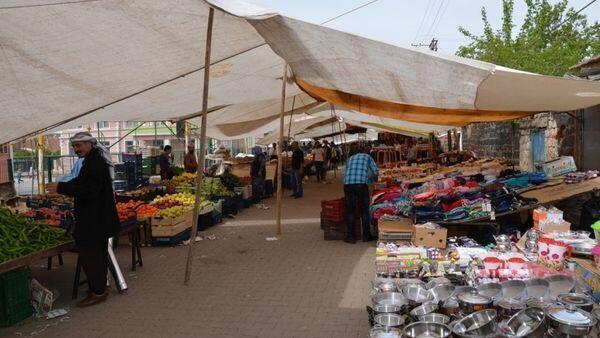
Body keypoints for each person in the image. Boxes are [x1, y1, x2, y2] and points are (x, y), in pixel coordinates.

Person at [46, 132, 120, 306]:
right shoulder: (92, 161)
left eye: (78, 145)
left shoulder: (95, 163)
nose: (75, 149)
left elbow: (89, 191)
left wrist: (61, 187)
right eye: (73, 146)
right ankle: (100, 287)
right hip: (97, 219)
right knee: (98, 255)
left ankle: (98, 292)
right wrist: (62, 186)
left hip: (93, 221)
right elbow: (80, 182)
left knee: (91, 256)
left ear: (89, 144)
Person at [343, 147, 379, 244]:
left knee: (350, 211)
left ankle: (351, 237)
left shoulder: (349, 158)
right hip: (360, 185)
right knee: (364, 210)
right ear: (365, 152)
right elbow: (375, 171)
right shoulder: (367, 156)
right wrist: (373, 180)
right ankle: (366, 236)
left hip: (347, 184)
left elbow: (345, 172)